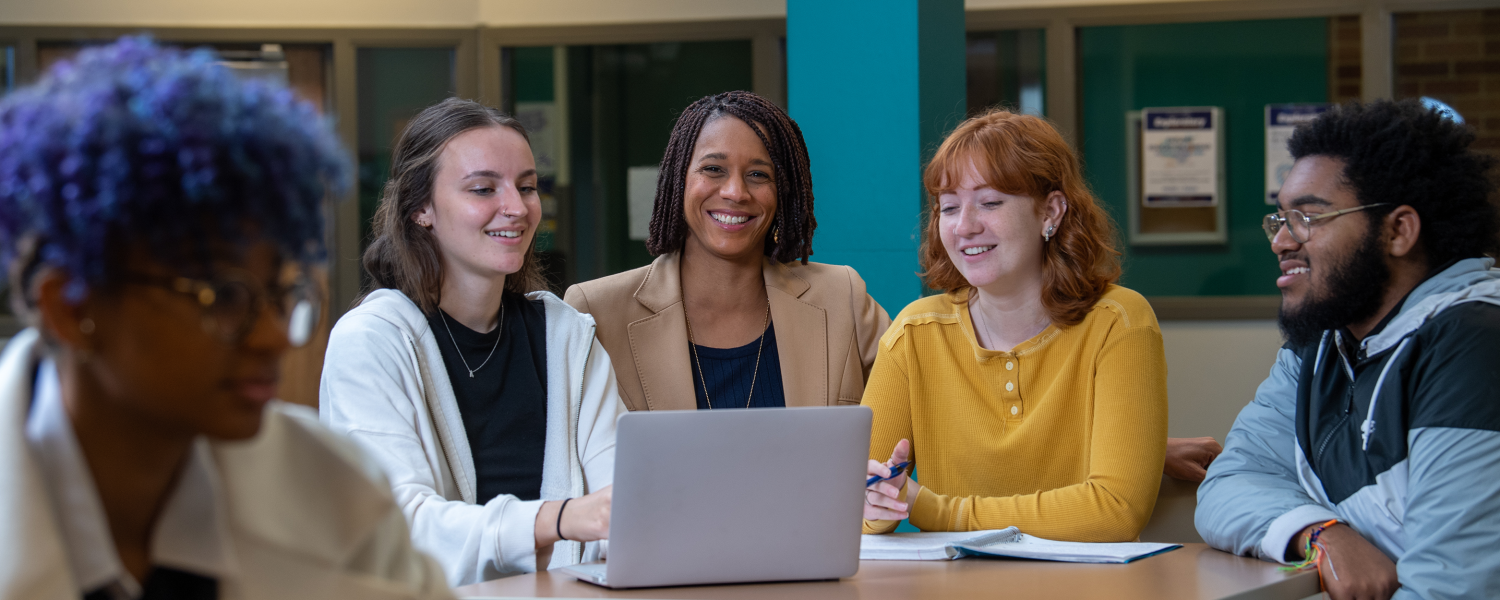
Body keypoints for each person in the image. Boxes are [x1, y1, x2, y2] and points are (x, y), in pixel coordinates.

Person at [0, 38, 452, 599]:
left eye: (279, 293)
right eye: (220, 296)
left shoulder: (337, 493)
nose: (271, 337)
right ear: (71, 310)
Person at [1196, 100, 1500, 599]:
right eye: (1280, 219)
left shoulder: (1474, 343)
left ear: (1398, 231)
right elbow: (1231, 483)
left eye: (1309, 217)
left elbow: (1452, 588)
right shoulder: (1322, 344)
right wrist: (1320, 533)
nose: (1281, 241)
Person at [319, 98, 625, 586]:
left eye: (527, 186)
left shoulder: (568, 336)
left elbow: (621, 512)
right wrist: (559, 519)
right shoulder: (370, 342)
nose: (517, 207)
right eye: (484, 188)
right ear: (420, 208)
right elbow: (397, 531)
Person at [861, 109, 1168, 542]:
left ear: (1051, 212)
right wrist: (879, 503)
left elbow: (1115, 510)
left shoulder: (1118, 322)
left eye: (990, 202)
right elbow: (862, 506)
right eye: (949, 208)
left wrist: (932, 507)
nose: (965, 226)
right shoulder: (914, 332)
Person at [563, 91, 890, 411]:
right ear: (679, 179)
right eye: (713, 169)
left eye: (758, 175)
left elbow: (912, 422)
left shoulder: (843, 299)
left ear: (783, 193)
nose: (735, 192)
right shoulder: (596, 313)